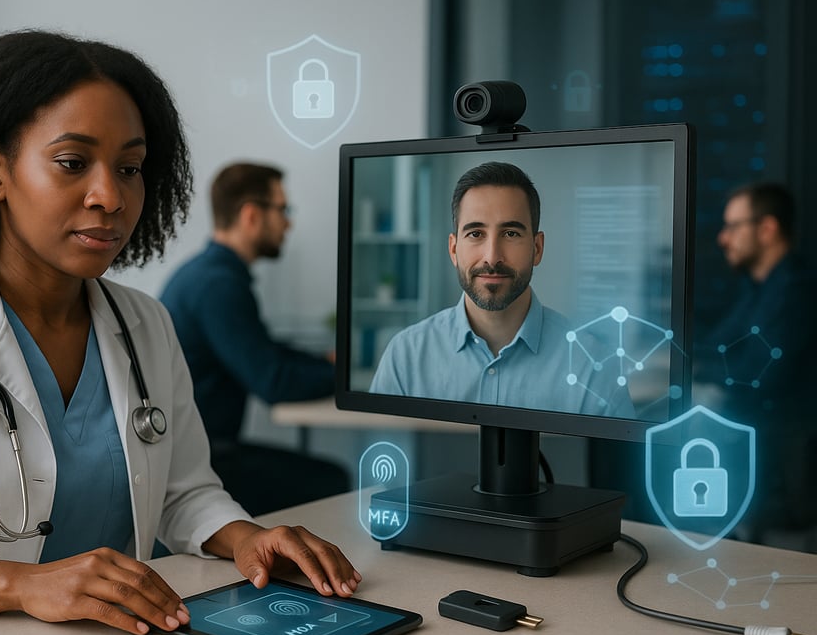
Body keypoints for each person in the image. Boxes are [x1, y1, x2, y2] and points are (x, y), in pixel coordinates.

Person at [0, 31, 360, 635]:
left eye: (130, 168)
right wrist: (21, 584)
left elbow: (184, 493)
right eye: (72, 163)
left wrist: (248, 537)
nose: (111, 196)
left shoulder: (145, 324)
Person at [370, 161, 634, 418]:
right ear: (453, 249)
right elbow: (382, 454)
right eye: (475, 234)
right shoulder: (406, 355)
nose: (492, 257)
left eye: (511, 234)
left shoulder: (594, 366)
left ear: (537, 248)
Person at [159, 163, 349, 516]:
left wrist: (323, 363)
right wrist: (347, 380)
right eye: (282, 210)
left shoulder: (208, 274)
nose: (288, 223)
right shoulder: (218, 285)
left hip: (198, 453)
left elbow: (262, 350)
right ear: (251, 215)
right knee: (333, 480)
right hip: (201, 464)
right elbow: (272, 380)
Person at [695, 182, 817, 538]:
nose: (722, 238)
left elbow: (753, 377)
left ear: (766, 229)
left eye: (733, 226)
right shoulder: (758, 288)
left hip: (780, 459)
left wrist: (698, 371)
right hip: (755, 444)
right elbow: (716, 345)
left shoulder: (796, 291)